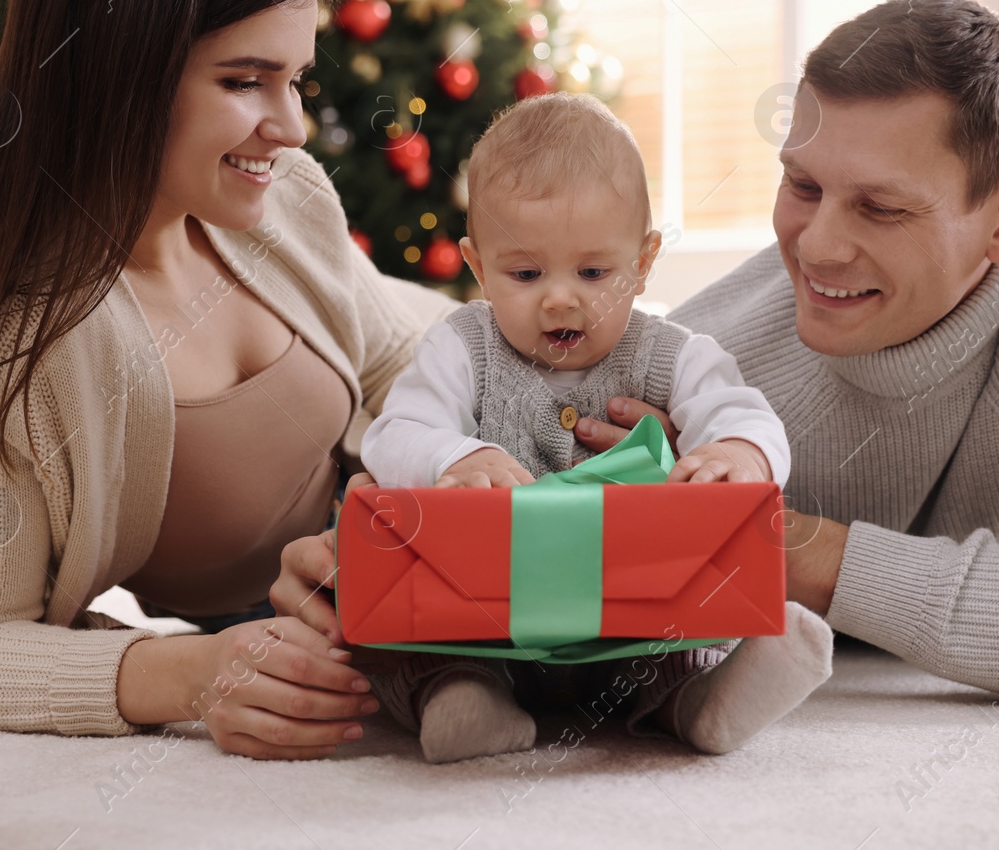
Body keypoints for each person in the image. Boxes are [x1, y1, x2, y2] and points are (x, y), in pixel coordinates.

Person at [273, 0, 999, 718]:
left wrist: (772, 540)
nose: (815, 248)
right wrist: (364, 557)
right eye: (802, 187)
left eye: (880, 207)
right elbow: (485, 435)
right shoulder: (705, 358)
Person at [0, 0, 452, 761]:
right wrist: (189, 671)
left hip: (409, 505)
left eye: (295, 79)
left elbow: (404, 357)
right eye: (244, 80)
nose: (291, 126)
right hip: (329, 614)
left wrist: (441, 474)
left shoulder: (287, 198)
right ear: (118, 74)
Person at [354, 92, 831, 762]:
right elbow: (394, 431)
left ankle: (700, 703)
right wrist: (455, 456)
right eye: (524, 272)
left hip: (630, 616)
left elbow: (744, 411)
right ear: (478, 266)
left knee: (685, 637)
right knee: (419, 649)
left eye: (593, 271)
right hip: (489, 620)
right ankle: (465, 699)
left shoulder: (671, 351)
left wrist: (736, 449)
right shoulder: (461, 346)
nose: (559, 295)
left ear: (642, 261)